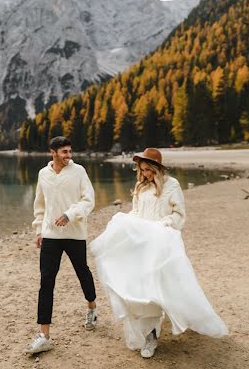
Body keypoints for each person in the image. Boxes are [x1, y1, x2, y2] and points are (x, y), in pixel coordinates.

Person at [90, 147, 228, 359]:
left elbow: (179, 214)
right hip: (142, 243)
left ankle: (183, 317)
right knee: (144, 290)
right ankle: (150, 336)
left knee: (171, 286)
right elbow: (136, 212)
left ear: (158, 168)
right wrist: (127, 223)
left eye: (149, 170)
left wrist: (166, 222)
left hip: (163, 243)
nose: (146, 174)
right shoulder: (140, 187)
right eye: (143, 170)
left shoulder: (172, 185)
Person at [27, 136, 97, 355]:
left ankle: (92, 309)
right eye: (64, 152)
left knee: (82, 272)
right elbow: (40, 204)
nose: (69, 156)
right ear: (53, 152)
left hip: (75, 233)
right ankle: (44, 335)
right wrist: (39, 229)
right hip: (50, 235)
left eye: (70, 151)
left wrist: (70, 214)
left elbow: (89, 200)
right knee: (46, 282)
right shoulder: (43, 174)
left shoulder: (79, 171)